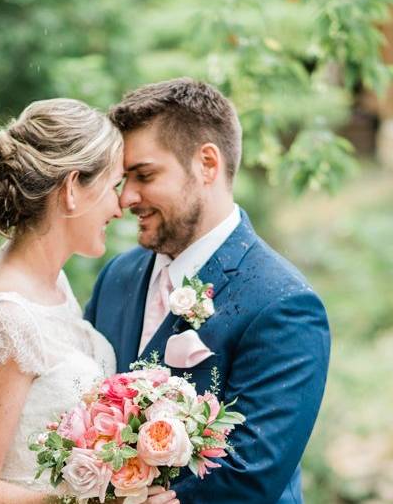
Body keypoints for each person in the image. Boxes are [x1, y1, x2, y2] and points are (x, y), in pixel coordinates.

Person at [84, 78, 331, 503]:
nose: (127, 199)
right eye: (124, 180)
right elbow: (76, 387)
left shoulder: (284, 304)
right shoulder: (117, 276)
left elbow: (253, 474)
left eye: (144, 175)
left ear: (207, 165)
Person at [0, 98, 183, 503]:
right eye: (112, 187)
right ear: (72, 189)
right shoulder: (4, 315)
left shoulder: (54, 285)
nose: (119, 206)